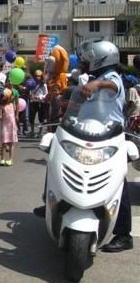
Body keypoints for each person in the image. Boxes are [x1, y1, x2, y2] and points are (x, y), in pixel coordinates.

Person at [33, 39, 132, 253]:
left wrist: (98, 84)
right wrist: (65, 95)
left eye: (87, 60)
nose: (84, 63)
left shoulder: (111, 78)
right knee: (54, 163)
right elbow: (83, 95)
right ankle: (51, 204)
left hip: (109, 138)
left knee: (117, 184)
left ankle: (124, 235)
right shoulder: (95, 77)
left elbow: (113, 87)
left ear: (100, 60)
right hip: (86, 134)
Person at [0, 88, 18, 166]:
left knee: (11, 143)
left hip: (12, 126)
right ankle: (2, 159)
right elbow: (0, 117)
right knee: (3, 143)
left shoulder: (11, 105)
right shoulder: (1, 106)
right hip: (5, 126)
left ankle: (10, 159)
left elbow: (15, 99)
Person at [28, 69, 48, 137]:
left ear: (41, 76)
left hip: (41, 102)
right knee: (31, 117)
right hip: (33, 102)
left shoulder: (43, 84)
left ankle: (40, 132)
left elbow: (46, 94)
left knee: (41, 118)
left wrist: (40, 97)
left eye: (39, 76)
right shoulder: (31, 83)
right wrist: (31, 95)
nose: (37, 77)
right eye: (36, 76)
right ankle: (32, 131)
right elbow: (30, 91)